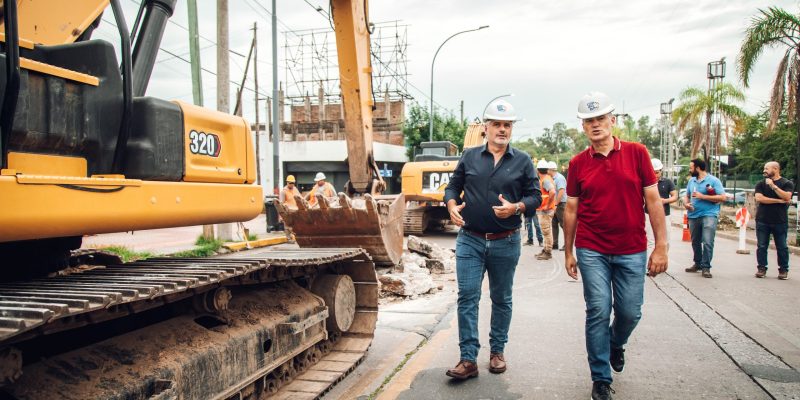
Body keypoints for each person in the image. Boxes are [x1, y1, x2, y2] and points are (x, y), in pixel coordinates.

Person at [563, 91, 668, 400]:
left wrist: (661, 246)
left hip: (632, 248)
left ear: (612, 120)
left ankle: (615, 342)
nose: (595, 125)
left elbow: (653, 201)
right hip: (591, 247)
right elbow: (571, 210)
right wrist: (568, 252)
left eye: (600, 119)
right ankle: (600, 378)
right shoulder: (578, 164)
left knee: (630, 312)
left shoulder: (637, 153)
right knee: (597, 308)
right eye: (588, 121)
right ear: (583, 127)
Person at [444, 99, 540, 380]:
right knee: (468, 297)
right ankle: (468, 359)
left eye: (506, 125)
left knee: (501, 298)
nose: (501, 129)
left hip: (506, 241)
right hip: (470, 240)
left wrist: (517, 207)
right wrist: (451, 205)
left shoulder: (523, 161)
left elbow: (535, 197)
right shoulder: (470, 157)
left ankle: (497, 352)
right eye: (496, 124)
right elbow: (452, 187)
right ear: (485, 128)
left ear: (511, 129)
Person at [683, 159, 726, 279]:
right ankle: (697, 263)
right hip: (693, 215)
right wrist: (686, 204)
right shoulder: (692, 181)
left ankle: (706, 266)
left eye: (691, 168)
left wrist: (703, 196)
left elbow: (722, 197)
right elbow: (686, 196)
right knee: (695, 241)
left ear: (697, 168)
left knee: (707, 241)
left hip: (709, 214)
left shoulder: (713, 180)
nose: (689, 170)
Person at [754, 161, 794, 280]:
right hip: (762, 219)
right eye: (764, 168)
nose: (764, 170)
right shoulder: (760, 184)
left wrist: (773, 186)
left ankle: (783, 270)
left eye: (767, 168)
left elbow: (787, 196)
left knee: (782, 246)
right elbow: (759, 198)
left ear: (775, 169)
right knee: (761, 246)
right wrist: (778, 201)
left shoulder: (787, 183)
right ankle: (761, 268)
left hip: (780, 220)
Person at [645, 158, 677, 248]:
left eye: (657, 172)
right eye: (653, 172)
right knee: (650, 242)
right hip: (649, 214)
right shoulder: (645, 182)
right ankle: (651, 262)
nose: (655, 175)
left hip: (665, 215)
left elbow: (675, 196)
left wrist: (665, 201)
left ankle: (663, 261)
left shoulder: (667, 182)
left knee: (666, 241)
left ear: (661, 171)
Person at [536, 159, 557, 260]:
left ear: (538, 170)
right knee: (545, 231)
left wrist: (547, 206)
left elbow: (552, 192)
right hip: (545, 210)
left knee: (546, 231)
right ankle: (545, 249)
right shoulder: (547, 178)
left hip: (546, 210)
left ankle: (548, 252)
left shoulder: (545, 180)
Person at [549, 161, 567, 251]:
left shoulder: (559, 178)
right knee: (554, 224)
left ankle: (567, 245)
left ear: (550, 170)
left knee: (564, 225)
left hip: (561, 204)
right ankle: (555, 243)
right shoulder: (552, 178)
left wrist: (556, 203)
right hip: (555, 204)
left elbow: (561, 191)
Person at [279, 175, 302, 242]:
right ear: (287, 182)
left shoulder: (295, 189)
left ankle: (295, 237)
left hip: (295, 210)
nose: (292, 184)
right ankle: (288, 238)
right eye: (290, 183)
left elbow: (300, 198)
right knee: (287, 225)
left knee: (295, 225)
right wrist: (281, 215)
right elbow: (281, 203)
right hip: (287, 210)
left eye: (293, 183)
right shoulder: (283, 191)